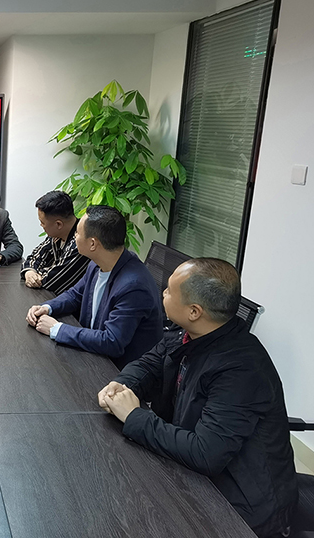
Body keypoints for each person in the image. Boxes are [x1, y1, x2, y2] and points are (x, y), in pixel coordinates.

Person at [98, 258, 297, 537]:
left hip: (241, 509)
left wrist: (134, 416)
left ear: (194, 311)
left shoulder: (241, 369)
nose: (163, 293)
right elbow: (149, 363)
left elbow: (206, 453)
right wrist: (121, 385)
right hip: (195, 473)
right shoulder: (189, 333)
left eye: (169, 291)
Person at [26, 205, 161, 368]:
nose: (74, 236)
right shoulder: (97, 264)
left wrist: (56, 329)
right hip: (92, 355)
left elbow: (112, 341)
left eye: (77, 233)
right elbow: (75, 294)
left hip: (117, 371)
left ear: (92, 244)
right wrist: (47, 307)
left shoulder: (133, 286)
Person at [21, 190, 88, 294]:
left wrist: (36, 275)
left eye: (42, 222)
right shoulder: (57, 235)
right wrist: (29, 272)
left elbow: (52, 281)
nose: (41, 226)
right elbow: (35, 256)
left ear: (58, 224)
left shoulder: (81, 243)